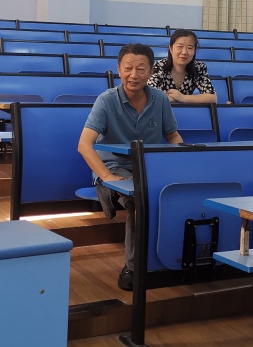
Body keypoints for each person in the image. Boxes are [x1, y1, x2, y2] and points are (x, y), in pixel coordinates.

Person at [77, 43, 183, 291]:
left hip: (149, 168)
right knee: (139, 200)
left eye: (141, 69)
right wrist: (107, 176)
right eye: (128, 68)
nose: (133, 75)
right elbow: (84, 145)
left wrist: (180, 164)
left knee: (177, 193)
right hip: (114, 167)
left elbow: (173, 136)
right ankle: (133, 268)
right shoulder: (106, 100)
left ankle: (173, 261)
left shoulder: (160, 99)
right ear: (118, 69)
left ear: (151, 71)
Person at [147, 29, 217, 104]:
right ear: (171, 49)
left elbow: (212, 98)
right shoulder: (159, 66)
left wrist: (182, 98)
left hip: (186, 110)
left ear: (194, 51)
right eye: (180, 46)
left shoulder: (199, 68)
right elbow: (150, 95)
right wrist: (170, 99)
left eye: (190, 48)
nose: (184, 52)